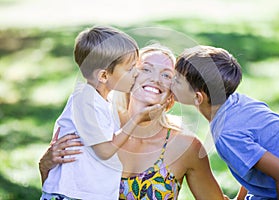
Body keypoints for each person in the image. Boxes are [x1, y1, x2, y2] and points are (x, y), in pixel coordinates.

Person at [39, 44, 227, 199]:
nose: (155, 79)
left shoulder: (186, 146)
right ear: (127, 78)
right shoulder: (98, 125)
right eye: (145, 69)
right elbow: (61, 190)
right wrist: (45, 164)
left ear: (172, 94)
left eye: (167, 75)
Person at [40, 26, 163, 200]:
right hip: (69, 194)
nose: (136, 73)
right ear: (104, 76)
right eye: (130, 69)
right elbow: (104, 151)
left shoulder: (105, 101)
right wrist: (136, 120)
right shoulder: (84, 100)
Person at [171, 45, 279, 200]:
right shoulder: (236, 102)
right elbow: (250, 162)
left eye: (177, 81)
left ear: (198, 98)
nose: (170, 81)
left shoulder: (227, 133)